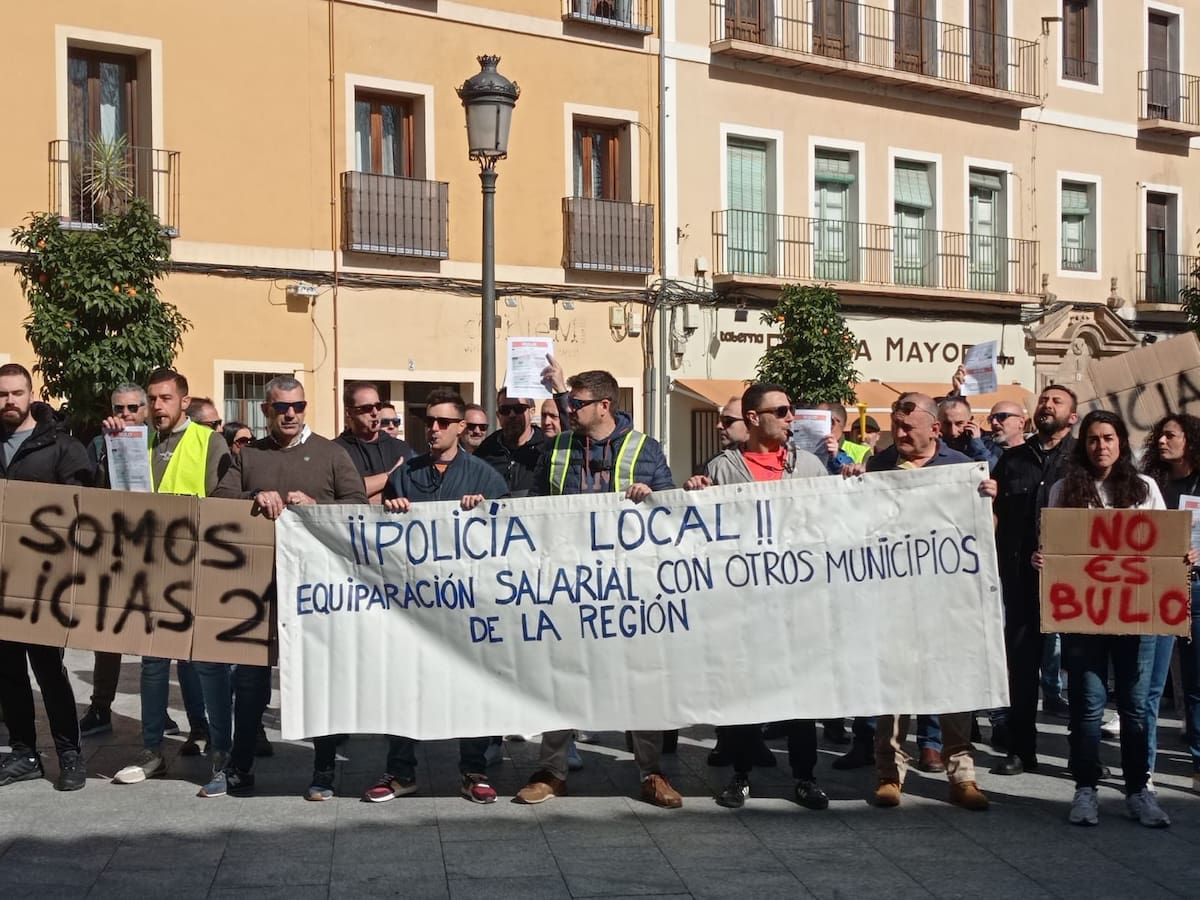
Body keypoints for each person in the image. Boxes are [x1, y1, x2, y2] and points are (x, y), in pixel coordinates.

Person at [516, 364, 682, 809]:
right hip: (569, 585)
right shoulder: (557, 449)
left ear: (604, 406)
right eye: (569, 401)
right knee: (560, 677)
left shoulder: (645, 450)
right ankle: (551, 771)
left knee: (642, 680)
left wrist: (653, 496)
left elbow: (668, 508)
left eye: (577, 403)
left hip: (629, 588)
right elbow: (534, 505)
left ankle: (651, 772)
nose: (568, 409)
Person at [210, 375, 367, 799]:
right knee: (249, 683)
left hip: (317, 592)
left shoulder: (332, 455)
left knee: (319, 681)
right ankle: (239, 768)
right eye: (282, 408)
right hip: (258, 590)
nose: (291, 414)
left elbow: (359, 508)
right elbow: (219, 502)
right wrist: (255, 496)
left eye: (298, 406)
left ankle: (323, 771)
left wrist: (319, 508)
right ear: (266, 412)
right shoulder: (248, 457)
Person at [684, 383, 830, 810]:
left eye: (791, 411)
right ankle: (741, 775)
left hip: (799, 601)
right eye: (782, 411)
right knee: (746, 690)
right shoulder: (724, 469)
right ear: (753, 418)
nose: (791, 418)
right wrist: (696, 493)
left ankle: (805, 777)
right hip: (745, 604)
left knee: (804, 694)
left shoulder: (809, 467)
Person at [361, 388, 509, 805]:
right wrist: (391, 510)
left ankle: (474, 769)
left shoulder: (483, 476)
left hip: (466, 607)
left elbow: (508, 537)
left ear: (462, 427)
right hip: (414, 609)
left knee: (471, 685)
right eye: (430, 421)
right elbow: (380, 535)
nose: (435, 429)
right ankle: (400, 771)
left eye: (444, 422)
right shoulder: (407, 474)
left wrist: (485, 511)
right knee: (405, 684)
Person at [855, 392, 993, 811]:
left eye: (907, 428)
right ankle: (889, 774)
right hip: (894, 599)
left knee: (954, 686)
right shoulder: (878, 466)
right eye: (895, 426)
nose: (898, 434)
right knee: (894, 690)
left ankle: (962, 775)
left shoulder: (961, 470)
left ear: (935, 429)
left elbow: (983, 533)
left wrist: (988, 500)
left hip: (948, 602)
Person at [1036, 410, 1172, 828]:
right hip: (1085, 618)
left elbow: (1165, 543)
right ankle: (1085, 789)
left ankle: (1138, 791)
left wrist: (1184, 555)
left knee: (1134, 707)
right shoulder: (1064, 489)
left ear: (1121, 443)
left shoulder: (1144, 487)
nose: (1101, 446)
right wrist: (1043, 558)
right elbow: (1053, 545)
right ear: (1084, 445)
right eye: (1093, 439)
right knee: (1088, 707)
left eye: (1109, 438)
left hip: (1135, 617)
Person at [110, 369, 230, 785]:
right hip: (151, 567)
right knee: (153, 661)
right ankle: (151, 749)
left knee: (201, 661)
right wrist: (115, 442)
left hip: (196, 566)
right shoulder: (137, 442)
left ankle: (216, 743)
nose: (158, 406)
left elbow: (223, 504)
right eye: (153, 400)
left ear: (184, 400)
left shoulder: (208, 441)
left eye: (165, 398)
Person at [0, 363, 92, 791]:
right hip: (2, 581)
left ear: (30, 393)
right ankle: (24, 754)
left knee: (49, 670)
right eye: (2, 395)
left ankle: (69, 755)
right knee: (8, 671)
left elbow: (85, 507)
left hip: (45, 582)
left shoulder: (60, 445)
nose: (9, 402)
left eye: (16, 393)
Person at [990, 385, 1078, 776]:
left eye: (1057, 401)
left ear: (1072, 417)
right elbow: (992, 513)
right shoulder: (1011, 460)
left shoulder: (1083, 459)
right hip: (1021, 580)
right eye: (1044, 399)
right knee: (1022, 668)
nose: (1047, 405)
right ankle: (1021, 749)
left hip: (1074, 584)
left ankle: (1083, 755)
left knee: (1080, 669)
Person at [79, 383, 151, 739]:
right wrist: (107, 447)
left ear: (146, 409)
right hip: (113, 549)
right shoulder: (98, 444)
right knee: (107, 634)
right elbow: (88, 490)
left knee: (161, 637)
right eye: (120, 408)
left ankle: (158, 713)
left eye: (134, 408)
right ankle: (100, 707)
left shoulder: (157, 443)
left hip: (156, 550)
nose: (126, 415)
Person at [1141, 414, 1200, 788]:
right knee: (1149, 685)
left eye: (1170, 436)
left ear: (1191, 441)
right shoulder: (1150, 484)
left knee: (1196, 682)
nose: (1162, 442)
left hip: (1196, 590)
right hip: (1156, 591)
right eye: (1159, 436)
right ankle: (1142, 764)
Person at [334, 381, 414, 504]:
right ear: (349, 413)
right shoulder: (335, 451)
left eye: (378, 406)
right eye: (367, 408)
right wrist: (390, 475)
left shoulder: (399, 448)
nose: (375, 413)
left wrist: (369, 493)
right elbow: (342, 493)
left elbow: (410, 491)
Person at [475, 390, 547, 497]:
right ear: (498, 415)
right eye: (505, 410)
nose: (512, 415)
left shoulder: (547, 449)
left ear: (532, 412)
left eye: (519, 409)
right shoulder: (484, 452)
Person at [937, 396, 993, 467]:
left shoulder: (987, 441)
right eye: (947, 424)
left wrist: (977, 444)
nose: (953, 431)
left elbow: (993, 469)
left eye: (959, 423)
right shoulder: (934, 441)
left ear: (971, 420)